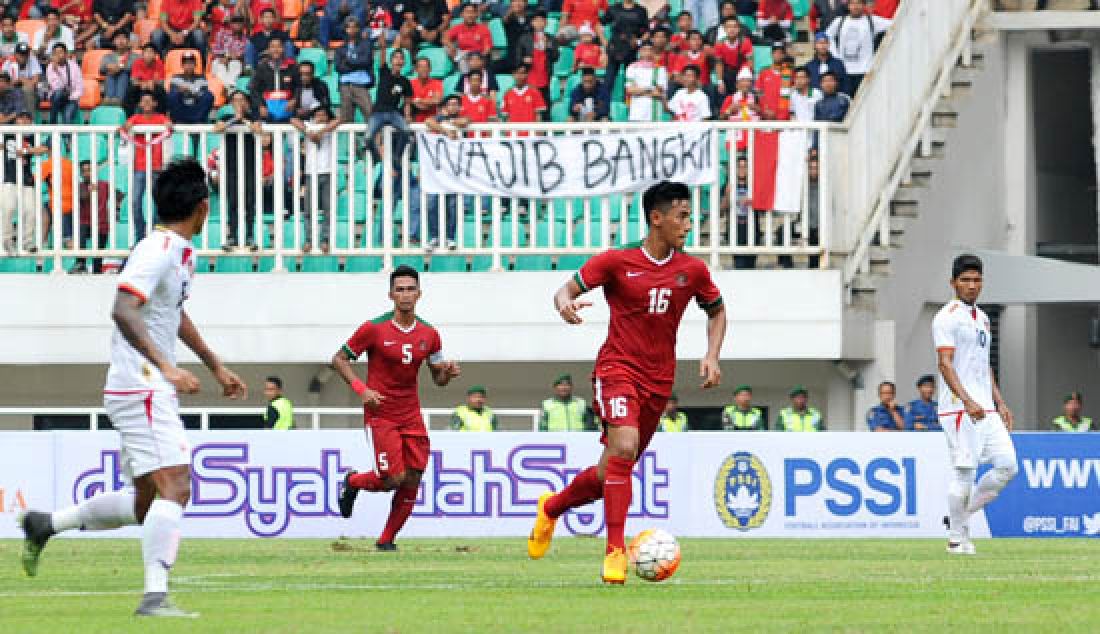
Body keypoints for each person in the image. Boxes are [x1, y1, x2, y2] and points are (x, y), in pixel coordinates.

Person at [17, 158, 247, 618]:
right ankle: (155, 598)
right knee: (177, 486)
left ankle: (47, 523)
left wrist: (215, 365)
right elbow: (124, 309)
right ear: (203, 208)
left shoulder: (179, 253)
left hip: (141, 384)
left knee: (148, 502)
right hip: (142, 384)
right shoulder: (156, 249)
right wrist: (166, 367)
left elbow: (172, 315)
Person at [528, 181, 726, 584]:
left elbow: (717, 311)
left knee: (610, 473)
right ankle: (615, 552)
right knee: (624, 445)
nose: (689, 224)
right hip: (617, 370)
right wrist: (565, 303)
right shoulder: (617, 262)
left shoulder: (692, 270)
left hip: (658, 383)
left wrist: (711, 355)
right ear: (657, 218)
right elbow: (564, 289)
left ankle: (551, 508)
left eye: (689, 216)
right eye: (682, 216)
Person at [334, 265, 462, 550]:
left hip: (411, 413)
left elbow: (437, 379)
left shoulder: (430, 334)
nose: (405, 295)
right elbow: (339, 359)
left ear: (419, 294)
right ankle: (353, 482)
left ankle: (386, 540)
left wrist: (446, 373)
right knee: (393, 478)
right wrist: (362, 390)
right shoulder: (373, 328)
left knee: (414, 476)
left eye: (410, 289)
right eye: (399, 289)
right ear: (390, 294)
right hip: (381, 414)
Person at [934, 254, 1019, 555]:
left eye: (976, 280)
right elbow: (945, 364)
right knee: (965, 473)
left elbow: (984, 366)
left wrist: (999, 400)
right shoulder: (947, 317)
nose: (972, 286)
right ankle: (957, 539)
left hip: (986, 408)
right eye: (965, 280)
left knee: (1008, 466)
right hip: (959, 408)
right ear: (953, 283)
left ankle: (959, 516)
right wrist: (967, 400)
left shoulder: (983, 318)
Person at [214, 90, 264, 251]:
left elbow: (257, 129)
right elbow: (218, 128)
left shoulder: (253, 116)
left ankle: (249, 235)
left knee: (249, 201)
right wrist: (236, 119)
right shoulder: (226, 118)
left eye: (241, 100)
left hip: (249, 164)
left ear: (247, 102)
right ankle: (233, 236)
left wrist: (244, 120)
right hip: (231, 165)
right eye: (235, 100)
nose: (238, 103)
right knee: (233, 201)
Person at [121, 92, 173, 242]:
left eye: (150, 101)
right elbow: (124, 129)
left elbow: (169, 128)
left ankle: (156, 232)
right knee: (135, 201)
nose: (147, 103)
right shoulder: (135, 118)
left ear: (155, 103)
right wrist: (127, 126)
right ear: (140, 104)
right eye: (144, 101)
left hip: (157, 166)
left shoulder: (161, 118)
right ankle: (140, 233)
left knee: (157, 200)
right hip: (140, 166)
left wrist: (169, 125)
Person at [290, 105, 339, 253]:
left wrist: (322, 132)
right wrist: (309, 132)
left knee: (328, 209)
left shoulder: (330, 128)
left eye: (323, 114)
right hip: (311, 172)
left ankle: (325, 240)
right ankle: (309, 240)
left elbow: (340, 118)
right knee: (308, 210)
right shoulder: (310, 126)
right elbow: (293, 120)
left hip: (328, 172)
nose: (320, 117)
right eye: (317, 114)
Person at [0, 111, 47, 255]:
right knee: (8, 209)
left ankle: (27, 242)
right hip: (9, 177)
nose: (24, 121)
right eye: (21, 118)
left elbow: (44, 148)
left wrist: (26, 150)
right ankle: (7, 241)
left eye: (27, 118)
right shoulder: (7, 133)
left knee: (31, 211)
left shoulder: (32, 135)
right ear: (16, 120)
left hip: (27, 180)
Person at [423, 95, 464, 249]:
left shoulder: (461, 119)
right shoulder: (439, 119)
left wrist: (450, 123)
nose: (453, 107)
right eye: (450, 104)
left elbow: (465, 121)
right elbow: (428, 122)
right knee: (432, 204)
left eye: (456, 104)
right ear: (445, 107)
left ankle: (450, 237)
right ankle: (434, 237)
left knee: (452, 205)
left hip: (454, 170)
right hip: (437, 169)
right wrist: (446, 130)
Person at [825, 0, 890, 96]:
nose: (856, 6)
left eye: (859, 3)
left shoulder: (872, 20)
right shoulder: (839, 21)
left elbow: (895, 23)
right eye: (853, 3)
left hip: (866, 72)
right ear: (848, 6)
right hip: (845, 72)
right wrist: (836, 56)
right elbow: (827, 36)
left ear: (864, 5)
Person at [367, 40, 413, 163]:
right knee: (368, 138)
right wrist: (383, 46)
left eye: (401, 58)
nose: (398, 60)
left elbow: (407, 102)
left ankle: (397, 157)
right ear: (391, 61)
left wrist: (407, 115)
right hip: (378, 112)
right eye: (396, 58)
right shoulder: (384, 72)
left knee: (406, 132)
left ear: (403, 62)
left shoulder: (405, 81)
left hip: (394, 112)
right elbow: (382, 57)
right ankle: (376, 158)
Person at [72, 159, 119, 274]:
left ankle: (96, 271)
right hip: (86, 223)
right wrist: (90, 191)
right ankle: (80, 264)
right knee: (80, 230)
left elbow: (119, 195)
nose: (86, 173)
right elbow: (82, 197)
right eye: (83, 171)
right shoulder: (80, 186)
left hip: (101, 224)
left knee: (98, 258)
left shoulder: (104, 185)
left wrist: (116, 209)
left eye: (89, 170)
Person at [333, 17, 375, 124]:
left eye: (354, 27)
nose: (351, 30)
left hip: (361, 85)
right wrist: (356, 63)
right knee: (346, 120)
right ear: (345, 29)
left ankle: (373, 141)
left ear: (358, 29)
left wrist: (349, 62)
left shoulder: (366, 44)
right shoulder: (340, 49)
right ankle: (352, 142)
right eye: (349, 27)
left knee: (370, 114)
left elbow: (366, 61)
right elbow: (338, 67)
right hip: (345, 86)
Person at [250, 38, 299, 123]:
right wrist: (261, 106)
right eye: (272, 47)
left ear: (283, 49)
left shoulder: (292, 67)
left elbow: (299, 86)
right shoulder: (262, 68)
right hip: (267, 108)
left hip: (287, 107)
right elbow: (254, 88)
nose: (276, 50)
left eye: (279, 47)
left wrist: (294, 99)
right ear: (268, 50)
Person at [602, 0, 648, 86]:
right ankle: (604, 99)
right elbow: (599, 24)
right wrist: (604, 42)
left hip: (632, 49)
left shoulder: (641, 10)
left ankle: (629, 99)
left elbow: (647, 31)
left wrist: (638, 41)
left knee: (631, 80)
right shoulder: (614, 9)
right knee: (608, 80)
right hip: (615, 48)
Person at [515, 11, 557, 104]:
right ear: (532, 23)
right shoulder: (524, 38)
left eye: (542, 20)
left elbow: (555, 57)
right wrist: (524, 60)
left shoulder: (551, 39)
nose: (539, 23)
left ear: (546, 23)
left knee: (545, 107)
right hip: (529, 78)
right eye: (536, 21)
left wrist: (547, 47)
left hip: (545, 78)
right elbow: (517, 59)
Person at [166, 53, 213, 133]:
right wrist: (181, 91)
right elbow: (173, 95)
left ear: (195, 65)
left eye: (191, 63)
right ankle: (178, 120)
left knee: (208, 95)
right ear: (182, 65)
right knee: (172, 95)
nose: (189, 66)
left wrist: (190, 91)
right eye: (186, 63)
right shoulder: (176, 77)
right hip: (181, 109)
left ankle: (198, 120)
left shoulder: (201, 78)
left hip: (196, 108)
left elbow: (203, 94)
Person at [444, 3, 493, 74]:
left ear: (476, 15)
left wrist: (478, 59)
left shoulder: (483, 29)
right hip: (462, 54)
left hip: (476, 56)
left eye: (472, 12)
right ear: (462, 15)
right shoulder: (458, 28)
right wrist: (450, 46)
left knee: (465, 60)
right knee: (447, 48)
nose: (470, 15)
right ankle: (463, 73)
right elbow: (445, 38)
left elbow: (487, 49)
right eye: (467, 12)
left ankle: (465, 75)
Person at [625, 42, 667, 122]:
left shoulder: (660, 69)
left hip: (654, 113)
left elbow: (659, 93)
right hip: (636, 113)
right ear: (640, 51)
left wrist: (638, 90)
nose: (647, 52)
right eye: (644, 50)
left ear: (654, 52)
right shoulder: (632, 67)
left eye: (650, 50)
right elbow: (630, 90)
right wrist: (650, 88)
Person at [712, 15, 753, 95]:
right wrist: (720, 81)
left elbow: (750, 63)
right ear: (724, 29)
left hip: (742, 72)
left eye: (735, 27)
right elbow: (719, 64)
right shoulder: (719, 44)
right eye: (729, 27)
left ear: (739, 29)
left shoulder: (745, 42)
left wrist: (744, 80)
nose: (732, 29)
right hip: (727, 73)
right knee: (720, 90)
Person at [210, 15, 249, 97]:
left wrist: (229, 57)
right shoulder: (222, 33)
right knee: (220, 66)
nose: (237, 25)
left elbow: (242, 54)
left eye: (240, 23)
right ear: (231, 24)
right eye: (235, 22)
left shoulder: (245, 39)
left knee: (235, 64)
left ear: (243, 25)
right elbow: (214, 49)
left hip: (235, 62)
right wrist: (226, 56)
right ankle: (230, 91)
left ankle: (226, 90)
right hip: (220, 59)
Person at [124, 44, 167, 116]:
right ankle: (129, 116)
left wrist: (152, 83)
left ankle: (161, 116)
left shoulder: (159, 63)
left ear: (155, 54)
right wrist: (142, 84)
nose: (149, 54)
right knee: (130, 90)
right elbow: (133, 80)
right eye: (146, 52)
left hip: (153, 88)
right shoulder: (137, 62)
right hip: (140, 88)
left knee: (161, 91)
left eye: (151, 52)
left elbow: (161, 81)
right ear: (143, 54)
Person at [45, 43, 81, 125]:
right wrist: (57, 71)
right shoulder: (50, 67)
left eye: (60, 52)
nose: (58, 55)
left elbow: (79, 89)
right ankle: (53, 124)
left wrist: (71, 97)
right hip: (56, 98)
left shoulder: (74, 66)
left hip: (71, 99)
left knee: (67, 118)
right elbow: (56, 87)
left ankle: (67, 138)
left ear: (66, 54)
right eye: (55, 53)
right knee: (58, 93)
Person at [3, 44, 42, 117]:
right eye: (21, 54)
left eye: (25, 54)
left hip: (31, 93)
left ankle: (30, 119)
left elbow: (35, 82)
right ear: (15, 54)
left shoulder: (32, 59)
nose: (24, 57)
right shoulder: (8, 62)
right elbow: (3, 83)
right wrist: (16, 82)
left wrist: (21, 79)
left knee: (28, 89)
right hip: (12, 91)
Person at [409, 57, 444, 123]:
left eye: (426, 67)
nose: (423, 69)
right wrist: (428, 102)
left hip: (433, 120)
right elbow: (409, 102)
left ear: (430, 69)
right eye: (420, 67)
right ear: (416, 69)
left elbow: (436, 101)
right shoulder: (411, 83)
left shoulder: (437, 83)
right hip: (415, 119)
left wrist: (418, 100)